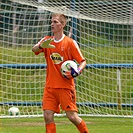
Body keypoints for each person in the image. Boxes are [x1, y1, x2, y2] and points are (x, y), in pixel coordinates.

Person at [32, 13, 89, 133]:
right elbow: (34, 49)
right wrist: (41, 45)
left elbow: (83, 61)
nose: (52, 24)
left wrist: (78, 70)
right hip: (50, 87)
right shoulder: (47, 40)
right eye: (52, 21)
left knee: (72, 117)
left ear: (63, 25)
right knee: (47, 116)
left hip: (65, 87)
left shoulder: (70, 43)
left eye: (56, 22)